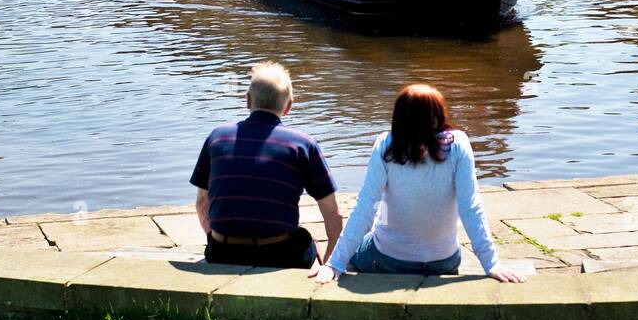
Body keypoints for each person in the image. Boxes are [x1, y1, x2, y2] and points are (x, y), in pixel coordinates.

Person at [313, 84, 524, 283]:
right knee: (378, 222)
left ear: (399, 117)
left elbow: (365, 208)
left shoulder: (386, 145)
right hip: (443, 262)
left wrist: (335, 264)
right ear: (439, 115)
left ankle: (340, 267)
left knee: (362, 240)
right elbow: (470, 207)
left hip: (390, 260)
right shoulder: (458, 145)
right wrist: (491, 264)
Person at [192, 62, 343, 269]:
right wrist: (330, 264)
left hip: (222, 252)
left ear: (248, 101)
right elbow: (332, 212)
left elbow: (202, 203)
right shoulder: (302, 145)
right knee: (307, 240)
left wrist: (215, 238)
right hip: (278, 254)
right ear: (289, 106)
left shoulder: (217, 138)